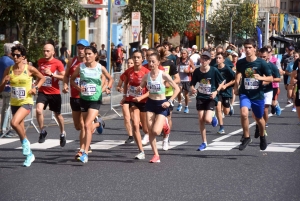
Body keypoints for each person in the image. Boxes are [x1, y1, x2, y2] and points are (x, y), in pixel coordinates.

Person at [0, 44, 46, 167]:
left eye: (18, 55)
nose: (15, 57)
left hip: (27, 102)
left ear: (23, 57)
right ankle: (29, 155)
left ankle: (25, 144)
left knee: (14, 123)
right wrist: (4, 82)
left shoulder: (29, 69)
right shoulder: (8, 70)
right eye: (13, 55)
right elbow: (0, 89)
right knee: (21, 131)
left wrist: (35, 88)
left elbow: (42, 78)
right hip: (15, 103)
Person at [70, 46, 113, 163]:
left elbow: (110, 78)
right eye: (86, 54)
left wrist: (107, 88)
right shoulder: (81, 67)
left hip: (95, 99)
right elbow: (72, 80)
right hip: (84, 99)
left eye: (89, 54)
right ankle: (98, 124)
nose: (87, 56)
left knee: (87, 125)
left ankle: (84, 152)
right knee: (84, 126)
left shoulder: (100, 67)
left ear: (95, 55)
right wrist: (79, 88)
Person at [138, 52, 180, 162]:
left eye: (153, 61)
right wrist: (138, 89)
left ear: (158, 63)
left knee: (156, 131)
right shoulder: (147, 76)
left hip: (162, 104)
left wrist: (169, 101)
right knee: (150, 131)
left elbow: (177, 89)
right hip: (150, 104)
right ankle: (156, 155)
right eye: (149, 61)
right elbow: (141, 86)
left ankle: (165, 127)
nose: (151, 64)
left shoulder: (163, 75)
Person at [234, 39, 272, 151]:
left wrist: (261, 78)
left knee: (259, 119)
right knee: (244, 113)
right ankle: (246, 137)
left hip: (257, 95)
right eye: (246, 47)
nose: (247, 50)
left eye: (250, 47)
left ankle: (262, 136)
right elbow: (238, 74)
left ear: (255, 48)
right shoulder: (241, 63)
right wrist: (236, 86)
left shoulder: (261, 63)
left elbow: (270, 78)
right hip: (245, 93)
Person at [63, 39, 97, 156]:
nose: (81, 50)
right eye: (79, 48)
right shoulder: (72, 61)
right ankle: (97, 123)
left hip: (87, 98)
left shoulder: (92, 64)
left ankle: (82, 149)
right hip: (74, 97)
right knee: (77, 126)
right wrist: (65, 85)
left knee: (84, 125)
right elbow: (67, 76)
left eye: (83, 48)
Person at [190, 51, 224, 151]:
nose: (204, 61)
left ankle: (213, 117)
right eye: (202, 58)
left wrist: (216, 91)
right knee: (201, 119)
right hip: (200, 97)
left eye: (206, 59)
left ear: (209, 61)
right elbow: (195, 83)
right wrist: (194, 89)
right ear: (200, 59)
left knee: (208, 120)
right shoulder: (197, 71)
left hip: (210, 97)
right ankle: (204, 142)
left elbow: (222, 82)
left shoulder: (214, 70)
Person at [36, 44, 66, 146]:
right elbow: (39, 75)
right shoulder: (40, 61)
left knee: (57, 115)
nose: (45, 53)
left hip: (54, 92)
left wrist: (52, 74)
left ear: (53, 52)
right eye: (44, 51)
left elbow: (64, 77)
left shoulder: (58, 63)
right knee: (38, 110)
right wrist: (35, 84)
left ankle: (62, 133)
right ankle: (42, 131)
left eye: (48, 51)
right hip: (42, 91)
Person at [121, 50, 149, 159]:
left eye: (138, 57)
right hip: (134, 101)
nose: (136, 59)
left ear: (142, 59)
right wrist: (124, 96)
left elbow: (151, 90)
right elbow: (125, 83)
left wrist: (142, 96)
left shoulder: (146, 72)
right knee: (135, 125)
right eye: (134, 57)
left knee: (147, 130)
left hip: (145, 101)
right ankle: (141, 151)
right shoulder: (129, 71)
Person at [254, 47, 281, 138]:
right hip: (256, 90)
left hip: (268, 90)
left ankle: (263, 127)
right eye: (260, 56)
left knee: (265, 110)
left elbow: (278, 79)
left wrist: (268, 80)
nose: (262, 58)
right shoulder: (255, 65)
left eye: (264, 56)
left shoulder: (271, 66)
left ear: (267, 56)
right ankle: (258, 125)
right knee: (256, 112)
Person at [215, 53, 235, 134]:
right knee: (218, 107)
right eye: (217, 58)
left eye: (219, 58)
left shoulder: (227, 69)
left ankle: (229, 106)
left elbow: (234, 79)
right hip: (218, 91)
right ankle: (221, 127)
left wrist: (226, 85)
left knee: (226, 112)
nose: (217, 59)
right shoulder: (214, 69)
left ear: (223, 60)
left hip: (226, 91)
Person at [116, 58, 134, 144]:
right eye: (128, 63)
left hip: (136, 99)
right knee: (127, 118)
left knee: (135, 119)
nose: (129, 65)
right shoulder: (124, 74)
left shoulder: (138, 74)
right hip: (126, 98)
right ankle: (130, 136)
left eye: (131, 63)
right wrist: (120, 89)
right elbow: (118, 86)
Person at [0, 43, 16, 137]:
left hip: (2, 86)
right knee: (8, 108)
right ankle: (5, 129)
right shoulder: (10, 62)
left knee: (4, 108)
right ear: (10, 52)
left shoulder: (1, 59)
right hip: (9, 87)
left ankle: (3, 127)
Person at [176, 48, 195, 113]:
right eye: (182, 53)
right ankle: (179, 104)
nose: (183, 55)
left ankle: (186, 106)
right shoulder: (178, 60)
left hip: (187, 79)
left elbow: (194, 68)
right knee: (179, 91)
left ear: (187, 54)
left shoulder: (189, 60)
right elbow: (177, 68)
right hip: (180, 79)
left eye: (184, 53)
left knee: (186, 94)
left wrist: (189, 71)